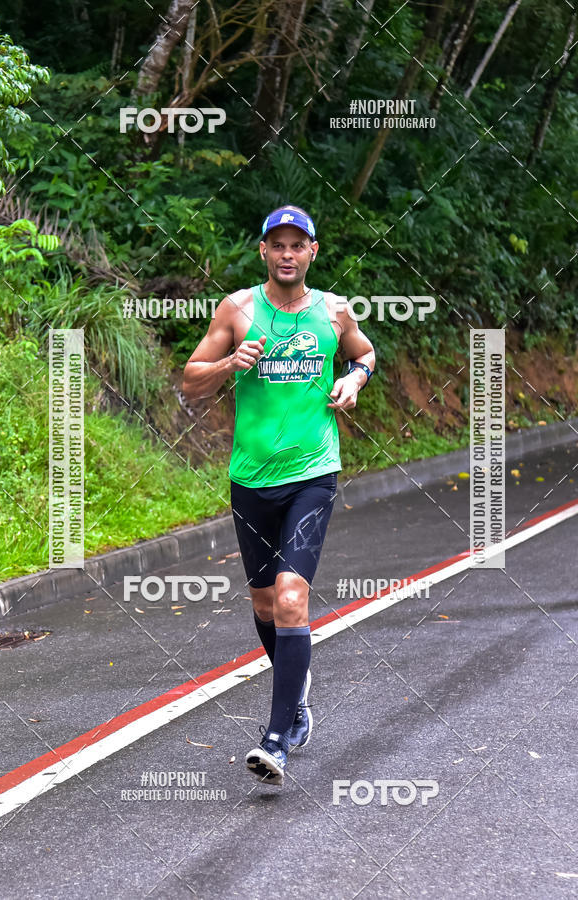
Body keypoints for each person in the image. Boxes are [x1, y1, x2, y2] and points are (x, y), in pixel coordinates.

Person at [183, 205, 375, 785]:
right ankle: (298, 687)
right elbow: (191, 378)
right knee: (266, 606)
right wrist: (228, 362)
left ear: (313, 251)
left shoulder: (334, 311)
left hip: (313, 472)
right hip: (251, 480)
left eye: (298, 245)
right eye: (278, 245)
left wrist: (353, 379)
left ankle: (279, 736)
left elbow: (365, 353)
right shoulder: (237, 309)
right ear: (263, 251)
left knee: (292, 597)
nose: (288, 254)